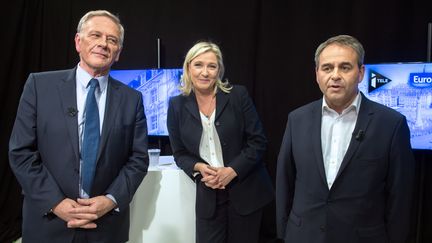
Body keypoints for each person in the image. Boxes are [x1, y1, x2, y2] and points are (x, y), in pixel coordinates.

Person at [9, 10, 148, 243]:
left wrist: (111, 199)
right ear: (78, 42)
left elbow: (138, 158)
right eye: (95, 35)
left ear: (118, 53)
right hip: (49, 223)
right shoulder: (39, 86)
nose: (103, 44)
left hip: (106, 227)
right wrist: (56, 203)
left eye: (112, 40)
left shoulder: (132, 99)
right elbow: (21, 152)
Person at [276, 34, 415, 243]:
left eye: (345, 67)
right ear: (316, 74)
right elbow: (284, 182)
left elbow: (400, 198)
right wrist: (283, 234)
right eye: (327, 68)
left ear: (360, 73)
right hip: (302, 235)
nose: (335, 75)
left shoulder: (391, 124)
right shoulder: (297, 119)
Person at [167, 41, 274, 243]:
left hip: (246, 190)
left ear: (219, 70)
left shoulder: (238, 95)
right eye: (198, 65)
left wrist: (232, 171)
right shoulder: (176, 105)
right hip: (209, 195)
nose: (205, 72)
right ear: (188, 68)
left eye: (212, 66)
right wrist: (199, 167)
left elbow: (258, 141)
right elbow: (179, 153)